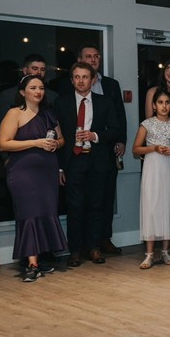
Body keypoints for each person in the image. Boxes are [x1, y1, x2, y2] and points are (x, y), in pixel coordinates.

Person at [0, 75, 68, 282]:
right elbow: (3, 144)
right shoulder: (14, 113)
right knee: (29, 214)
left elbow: (62, 139)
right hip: (23, 173)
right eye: (33, 88)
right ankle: (32, 264)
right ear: (22, 92)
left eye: (41, 88)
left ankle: (38, 259)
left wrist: (55, 144)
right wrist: (35, 142)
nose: (38, 91)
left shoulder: (49, 114)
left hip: (47, 171)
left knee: (45, 213)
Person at [59, 45, 127, 257]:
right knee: (75, 207)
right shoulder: (61, 103)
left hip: (98, 160)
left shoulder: (105, 102)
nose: (81, 81)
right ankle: (75, 251)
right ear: (72, 80)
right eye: (77, 77)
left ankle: (95, 247)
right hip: (73, 161)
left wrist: (94, 135)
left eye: (85, 77)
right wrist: (59, 167)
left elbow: (115, 130)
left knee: (97, 205)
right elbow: (57, 137)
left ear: (92, 79)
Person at [132, 89, 170, 269]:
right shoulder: (146, 124)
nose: (164, 106)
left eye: (167, 102)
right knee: (152, 206)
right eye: (160, 102)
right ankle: (149, 254)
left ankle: (165, 251)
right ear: (154, 105)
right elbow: (135, 149)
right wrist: (153, 148)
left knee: (169, 204)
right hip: (153, 167)